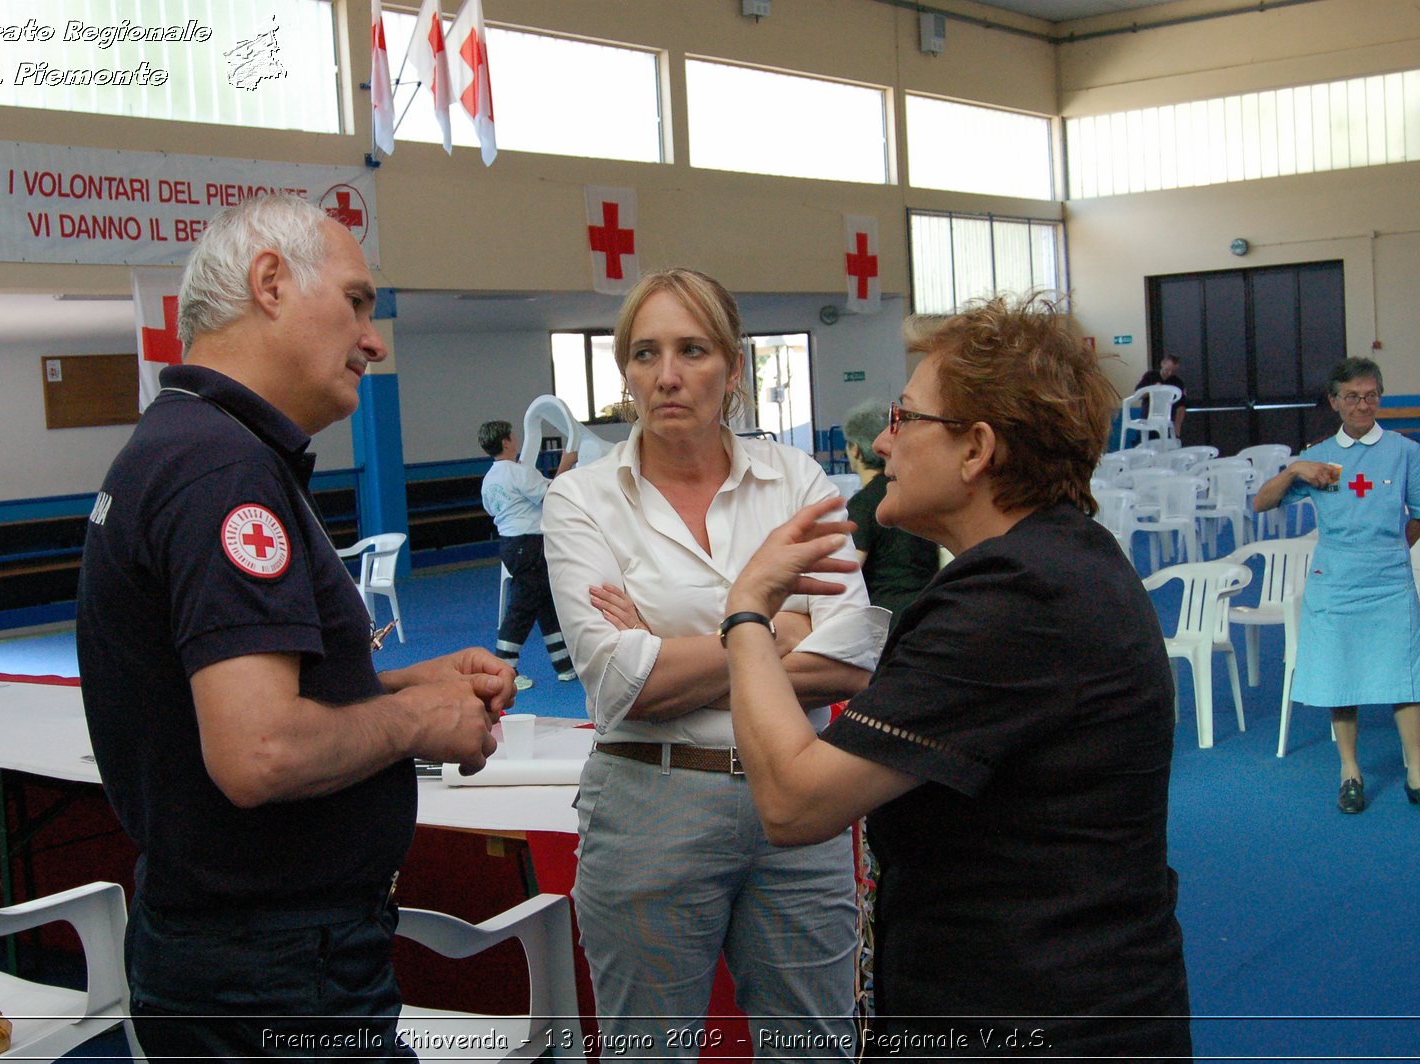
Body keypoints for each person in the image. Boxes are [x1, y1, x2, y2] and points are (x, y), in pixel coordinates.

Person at [77, 194, 513, 1060]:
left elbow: (228, 699)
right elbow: (259, 751)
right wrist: (421, 723)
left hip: (243, 954)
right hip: (274, 965)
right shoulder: (220, 469)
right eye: (356, 301)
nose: (374, 338)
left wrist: (394, 686)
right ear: (270, 283)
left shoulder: (187, 446)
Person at [720, 294, 1193, 1058]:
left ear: (976, 450)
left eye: (906, 419)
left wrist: (745, 611)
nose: (885, 445)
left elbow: (793, 800)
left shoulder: (1016, 596)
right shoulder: (1059, 561)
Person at [542, 268, 886, 1058]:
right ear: (625, 370)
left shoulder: (792, 479)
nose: (666, 375)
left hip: (802, 800)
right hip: (648, 807)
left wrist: (672, 640)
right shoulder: (583, 500)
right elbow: (622, 684)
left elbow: (849, 659)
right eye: (644, 353)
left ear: (734, 369)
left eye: (692, 350)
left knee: (816, 1050)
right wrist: (769, 622)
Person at [1253, 357, 1420, 816]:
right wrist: (1295, 471)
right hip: (1336, 583)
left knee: (1407, 680)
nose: (1363, 405)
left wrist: (1390, 551)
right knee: (1341, 681)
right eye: (1352, 397)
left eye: (1371, 395)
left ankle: (1417, 777)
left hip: (1389, 581)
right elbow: (1262, 503)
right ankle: (1350, 773)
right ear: (1335, 402)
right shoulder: (1319, 455)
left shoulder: (1403, 450)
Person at [479, 419, 579, 688]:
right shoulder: (519, 472)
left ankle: (564, 664)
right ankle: (505, 669)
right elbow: (552, 493)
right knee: (522, 608)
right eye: (513, 434)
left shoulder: (490, 478)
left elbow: (492, 509)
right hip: (530, 545)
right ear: (506, 442)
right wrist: (566, 465)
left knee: (546, 601)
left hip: (511, 544)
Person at [841, 399, 940, 631]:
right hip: (927, 610)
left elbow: (848, 573)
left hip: (885, 620)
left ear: (855, 449)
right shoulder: (915, 493)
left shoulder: (863, 504)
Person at [1135, 352, 1188, 437]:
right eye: (1167, 370)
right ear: (1162, 364)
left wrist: (1177, 426)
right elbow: (1138, 395)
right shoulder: (1149, 376)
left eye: (1173, 371)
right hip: (1147, 418)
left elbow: (1181, 406)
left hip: (1167, 420)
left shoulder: (1178, 383)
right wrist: (1152, 390)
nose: (1170, 373)